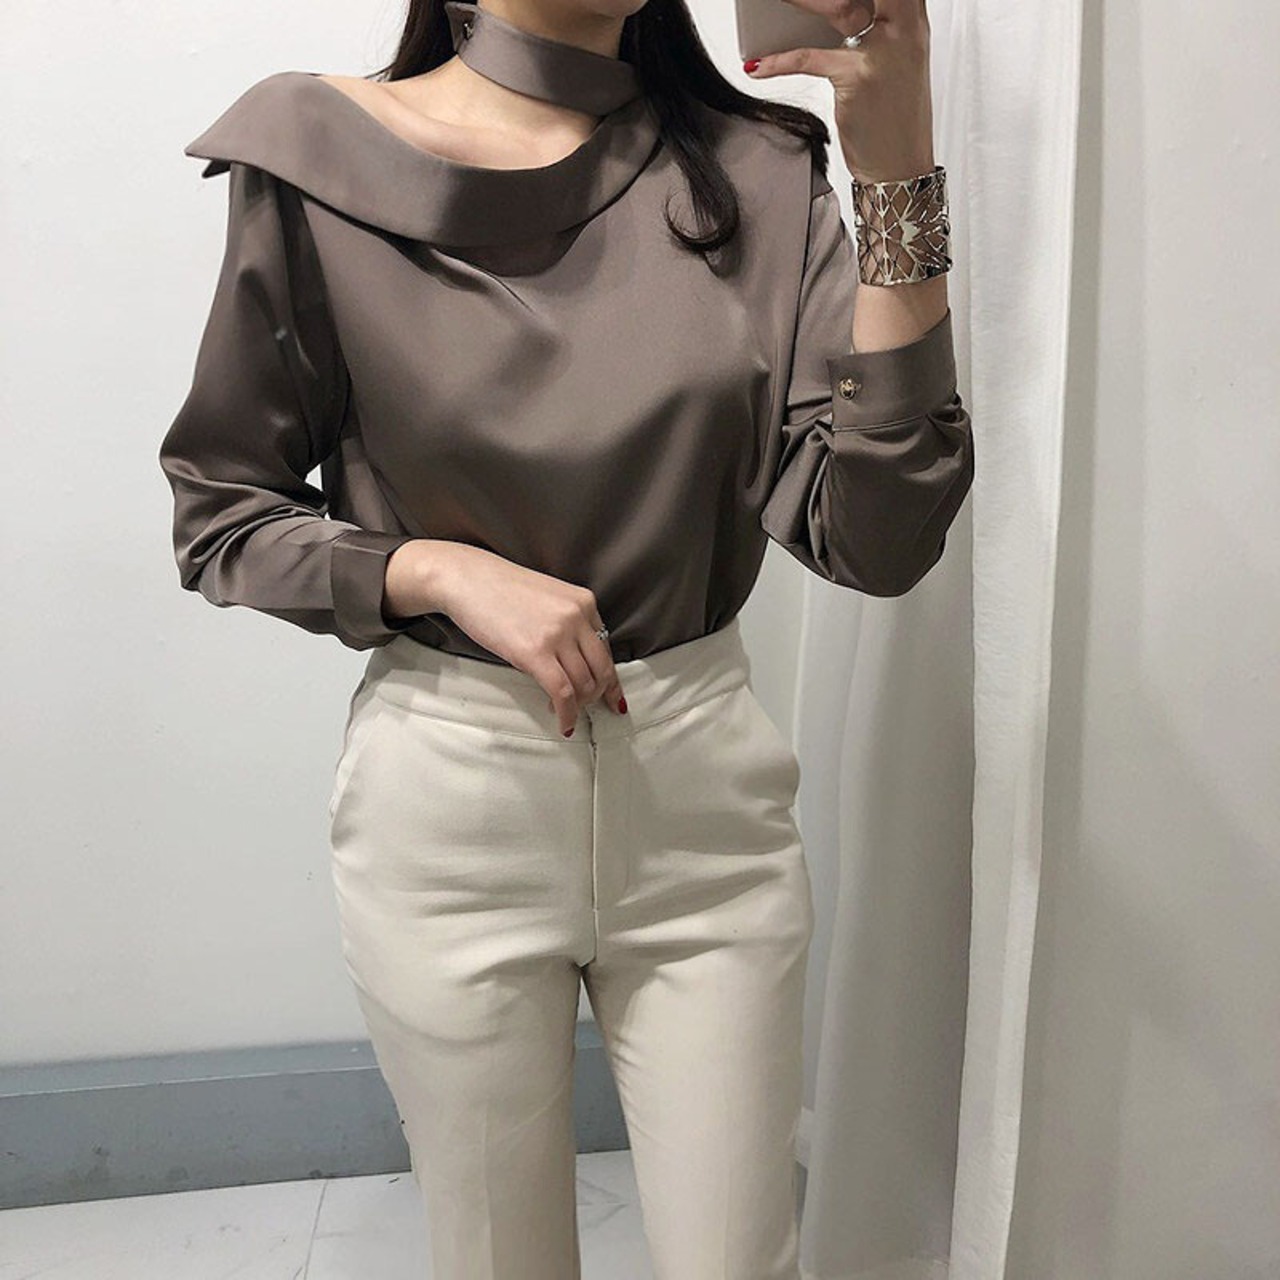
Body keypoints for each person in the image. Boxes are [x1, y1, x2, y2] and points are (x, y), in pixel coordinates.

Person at [158, 0, 972, 1275]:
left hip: (702, 804)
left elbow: (877, 539)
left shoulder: (756, 171)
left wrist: (895, 182)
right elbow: (222, 511)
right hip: (452, 803)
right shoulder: (319, 155)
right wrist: (430, 567)